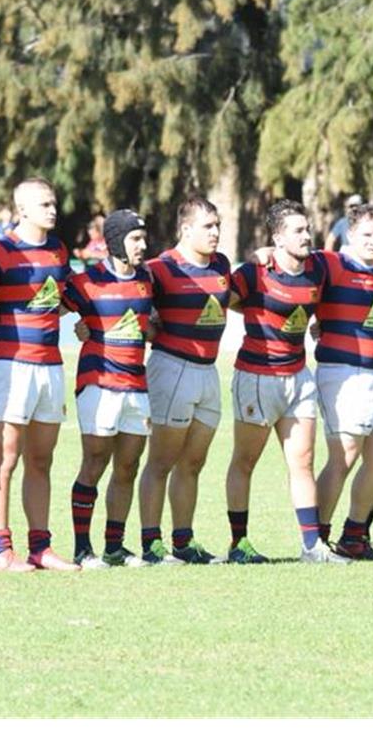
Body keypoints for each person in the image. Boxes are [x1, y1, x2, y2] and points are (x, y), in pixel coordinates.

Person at [0, 177, 76, 572]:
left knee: (42, 460)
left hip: (51, 365)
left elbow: (60, 300)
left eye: (53, 202)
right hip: (11, 365)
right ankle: (0, 550)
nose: (53, 209)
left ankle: (40, 548)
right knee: (6, 458)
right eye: (44, 204)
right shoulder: (3, 251)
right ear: (22, 210)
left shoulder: (60, 250)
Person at [222, 199, 346, 564]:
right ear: (277, 237)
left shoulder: (318, 268)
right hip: (257, 377)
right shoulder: (253, 272)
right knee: (245, 460)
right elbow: (221, 300)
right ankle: (239, 544)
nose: (307, 235)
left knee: (303, 461)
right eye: (298, 230)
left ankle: (312, 546)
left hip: (299, 375)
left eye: (308, 229)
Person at [137, 197, 233, 565]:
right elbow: (134, 308)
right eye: (207, 226)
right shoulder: (160, 268)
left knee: (193, 463)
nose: (215, 232)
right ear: (186, 228)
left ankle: (183, 541)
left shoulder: (222, 264)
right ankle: (151, 544)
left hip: (208, 372)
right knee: (161, 461)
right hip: (172, 369)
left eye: (217, 225)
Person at [62, 210, 155, 569]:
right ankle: (83, 549)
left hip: (137, 385)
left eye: (143, 239)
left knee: (128, 466)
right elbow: (48, 308)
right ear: (116, 241)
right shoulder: (87, 282)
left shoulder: (147, 280)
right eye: (135, 239)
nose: (142, 246)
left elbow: (152, 323)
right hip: (98, 384)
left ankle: (114, 547)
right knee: (95, 463)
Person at [312, 203, 373, 560]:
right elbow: (293, 264)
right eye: (367, 235)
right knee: (344, 456)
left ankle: (354, 534)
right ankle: (316, 539)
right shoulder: (330, 263)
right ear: (349, 234)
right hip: (342, 373)